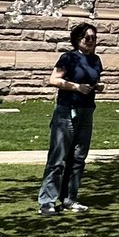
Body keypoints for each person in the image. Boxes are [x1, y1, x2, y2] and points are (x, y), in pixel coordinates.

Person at [37, 22, 104, 215]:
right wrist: (76, 87)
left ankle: (69, 199)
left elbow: (93, 79)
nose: (91, 41)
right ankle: (47, 202)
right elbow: (54, 80)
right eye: (87, 38)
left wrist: (97, 86)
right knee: (58, 157)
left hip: (87, 110)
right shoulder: (68, 58)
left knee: (78, 157)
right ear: (77, 40)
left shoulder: (96, 60)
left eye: (94, 38)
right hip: (67, 111)